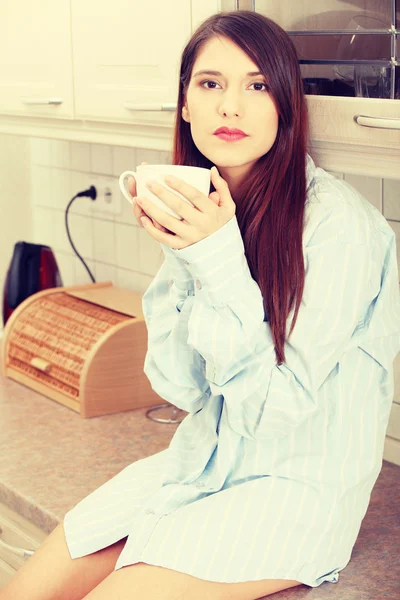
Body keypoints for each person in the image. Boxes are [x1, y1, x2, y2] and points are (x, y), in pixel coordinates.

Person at [2, 9, 400, 600]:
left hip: (292, 492)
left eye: (257, 85)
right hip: (199, 465)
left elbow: (273, 413)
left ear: (286, 105)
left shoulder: (340, 229)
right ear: (185, 105)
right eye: (210, 84)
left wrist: (214, 259)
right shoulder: (205, 206)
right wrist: (184, 254)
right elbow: (181, 387)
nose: (230, 107)